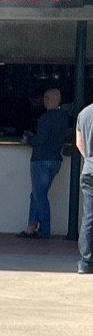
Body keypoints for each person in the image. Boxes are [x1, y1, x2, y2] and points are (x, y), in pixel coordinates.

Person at [17, 86, 71, 237]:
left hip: (41, 159)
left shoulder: (46, 118)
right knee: (37, 194)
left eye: (45, 98)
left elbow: (40, 139)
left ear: (48, 100)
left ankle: (44, 230)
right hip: (55, 160)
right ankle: (31, 226)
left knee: (39, 196)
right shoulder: (64, 117)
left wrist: (28, 139)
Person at [77, 95, 93, 274]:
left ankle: (85, 261)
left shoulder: (83, 114)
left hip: (88, 170)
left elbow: (79, 144)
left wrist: (89, 159)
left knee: (88, 217)